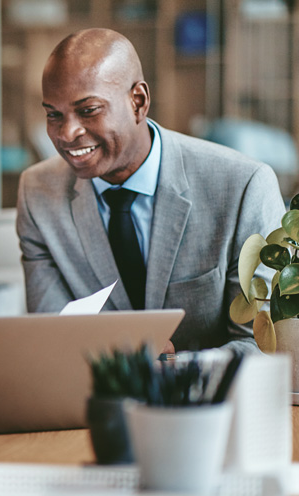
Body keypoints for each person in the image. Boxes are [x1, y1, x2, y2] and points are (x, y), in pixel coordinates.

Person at [16, 28, 284, 353]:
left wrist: (173, 371)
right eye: (54, 115)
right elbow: (53, 338)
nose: (67, 133)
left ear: (138, 102)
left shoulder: (243, 186)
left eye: (88, 110)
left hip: (211, 401)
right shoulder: (38, 192)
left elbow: (262, 345)